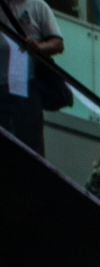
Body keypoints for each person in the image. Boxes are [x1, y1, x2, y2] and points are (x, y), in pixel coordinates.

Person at [1, 0, 62, 158]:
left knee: (29, 142)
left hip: (28, 87)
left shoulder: (38, 6)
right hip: (2, 86)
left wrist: (38, 48)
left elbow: (57, 44)